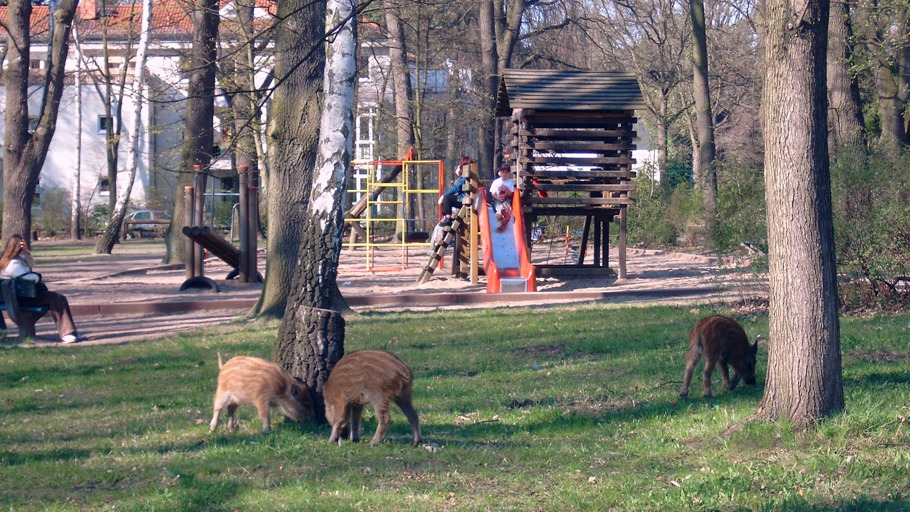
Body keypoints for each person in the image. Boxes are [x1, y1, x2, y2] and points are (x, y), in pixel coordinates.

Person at [0, 234, 82, 343]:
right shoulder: (13, 263)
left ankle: (69, 332)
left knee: (59, 297)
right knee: (55, 297)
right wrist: (37, 276)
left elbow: (31, 263)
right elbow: (30, 279)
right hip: (23, 300)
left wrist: (26, 252)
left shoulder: (5, 259)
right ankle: (67, 333)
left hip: (12, 299)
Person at [437, 156, 472, 222]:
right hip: (468, 198)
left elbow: (456, 188)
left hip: (463, 199)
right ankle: (447, 217)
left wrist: (443, 195)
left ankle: (448, 218)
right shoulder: (471, 175)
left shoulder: (464, 176)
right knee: (448, 198)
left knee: (447, 198)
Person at [489, 162, 515, 231]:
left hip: (506, 200)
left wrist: (506, 189)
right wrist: (498, 198)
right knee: (498, 211)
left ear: (509, 174)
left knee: (506, 205)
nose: (504, 174)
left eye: (506, 172)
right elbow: (493, 194)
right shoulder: (496, 182)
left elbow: (511, 194)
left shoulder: (509, 182)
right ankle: (501, 217)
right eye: (502, 172)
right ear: (499, 173)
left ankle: (504, 215)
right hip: (497, 200)